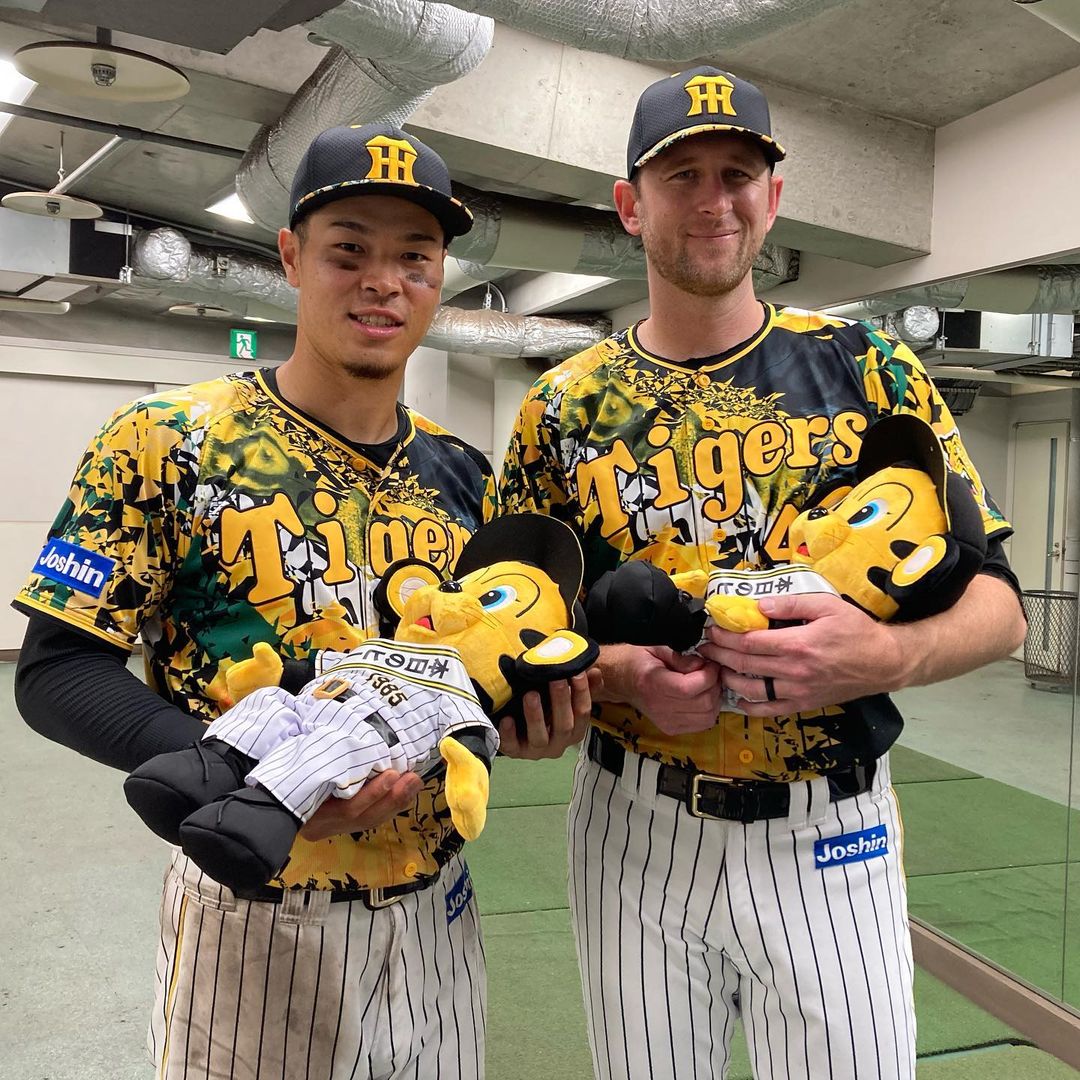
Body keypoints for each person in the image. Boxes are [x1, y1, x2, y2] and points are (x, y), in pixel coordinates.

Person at [13, 121, 590, 1080]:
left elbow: (469, 669)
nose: (383, 282)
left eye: (415, 256)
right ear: (290, 257)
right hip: (257, 911)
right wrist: (247, 777)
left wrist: (521, 721)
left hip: (438, 911)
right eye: (348, 250)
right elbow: (58, 671)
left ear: (440, 276)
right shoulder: (166, 439)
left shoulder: (465, 474)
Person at [498, 66, 1027, 1080]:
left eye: (738, 174)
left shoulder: (867, 367)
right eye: (682, 175)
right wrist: (622, 675)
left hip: (832, 829)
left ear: (773, 197)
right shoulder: (562, 408)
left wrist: (884, 655)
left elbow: (1000, 605)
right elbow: (518, 638)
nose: (714, 201)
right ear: (630, 206)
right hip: (635, 826)